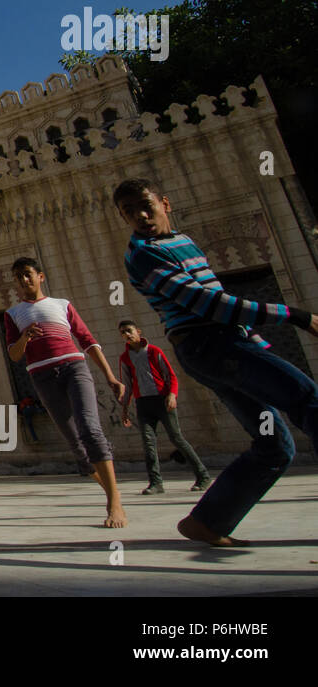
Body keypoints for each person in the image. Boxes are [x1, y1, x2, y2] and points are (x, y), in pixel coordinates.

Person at [114, 178, 318, 546]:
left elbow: (218, 296)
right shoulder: (143, 255)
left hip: (223, 345)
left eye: (146, 205)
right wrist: (294, 315)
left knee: (274, 445)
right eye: (129, 212)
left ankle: (207, 522)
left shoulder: (182, 242)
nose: (141, 216)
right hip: (211, 345)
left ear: (165, 202)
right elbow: (204, 303)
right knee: (308, 401)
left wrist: (253, 340)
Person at [4, 257, 128, 528]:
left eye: (27, 274)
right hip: (41, 375)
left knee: (90, 430)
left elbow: (88, 341)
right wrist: (24, 338)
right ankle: (111, 491)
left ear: (40, 277)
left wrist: (110, 377)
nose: (23, 280)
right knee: (77, 446)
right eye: (18, 277)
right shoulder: (12, 315)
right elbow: (14, 355)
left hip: (73, 368)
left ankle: (114, 503)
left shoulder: (62, 305)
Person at [116, 319, 211, 494]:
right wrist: (124, 409)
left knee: (177, 438)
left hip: (162, 400)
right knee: (148, 443)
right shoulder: (125, 358)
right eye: (123, 332)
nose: (126, 335)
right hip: (143, 403)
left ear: (138, 331)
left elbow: (171, 376)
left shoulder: (154, 351)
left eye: (129, 330)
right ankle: (155, 482)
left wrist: (172, 395)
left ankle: (203, 476)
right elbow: (128, 384)